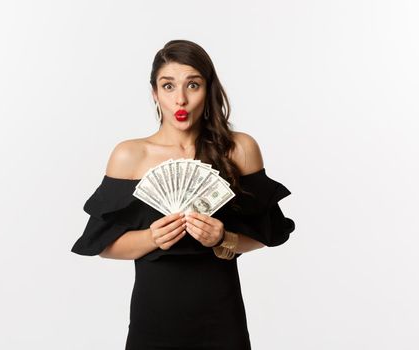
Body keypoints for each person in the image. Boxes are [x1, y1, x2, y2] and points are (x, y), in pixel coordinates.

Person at [71, 39, 296, 349]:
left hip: (221, 316)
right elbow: (102, 245)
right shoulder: (129, 155)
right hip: (154, 319)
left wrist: (223, 238)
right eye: (168, 86)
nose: (180, 100)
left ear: (208, 89)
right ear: (154, 93)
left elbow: (266, 233)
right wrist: (152, 238)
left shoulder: (240, 149)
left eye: (193, 85)